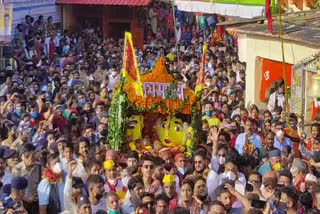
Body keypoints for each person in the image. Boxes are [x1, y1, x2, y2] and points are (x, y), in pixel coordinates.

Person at [12, 143, 42, 214]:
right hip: (23, 204)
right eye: (29, 156)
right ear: (23, 157)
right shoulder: (17, 170)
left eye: (33, 155)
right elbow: (14, 192)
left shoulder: (39, 167)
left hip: (37, 203)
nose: (32, 158)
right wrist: (26, 198)